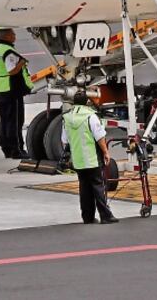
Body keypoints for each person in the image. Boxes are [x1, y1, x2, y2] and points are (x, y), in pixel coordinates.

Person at [60, 92, 119, 224]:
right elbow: (99, 137)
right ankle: (105, 216)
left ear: (73, 103)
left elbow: (64, 140)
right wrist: (106, 152)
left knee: (84, 188)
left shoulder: (67, 118)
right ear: (87, 102)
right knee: (98, 187)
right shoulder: (90, 116)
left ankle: (88, 217)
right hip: (92, 159)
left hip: (78, 160)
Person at [0, 29, 33, 159]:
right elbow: (12, 71)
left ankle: (6, 148)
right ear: (7, 36)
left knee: (5, 121)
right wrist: (21, 63)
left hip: (1, 88)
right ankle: (16, 150)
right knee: (15, 121)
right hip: (11, 90)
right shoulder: (8, 52)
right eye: (13, 34)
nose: (15, 36)